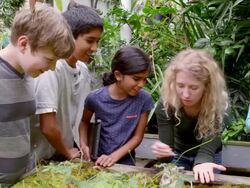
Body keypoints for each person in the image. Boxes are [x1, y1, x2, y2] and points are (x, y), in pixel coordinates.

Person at [0, 3, 74, 186]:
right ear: (24, 43)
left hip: (22, 178)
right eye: (49, 59)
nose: (52, 67)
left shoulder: (28, 75)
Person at [30, 1, 103, 162]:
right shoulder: (51, 69)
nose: (95, 48)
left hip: (62, 155)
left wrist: (83, 144)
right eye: (90, 40)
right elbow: (48, 127)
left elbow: (79, 118)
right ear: (69, 35)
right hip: (41, 159)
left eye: (97, 41)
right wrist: (68, 152)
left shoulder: (82, 70)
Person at [151, 49, 229, 184]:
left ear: (207, 86)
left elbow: (208, 149)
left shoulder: (219, 105)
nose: (185, 94)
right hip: (179, 155)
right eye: (180, 85)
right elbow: (166, 157)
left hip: (209, 155)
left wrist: (203, 162)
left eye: (193, 88)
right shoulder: (166, 104)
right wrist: (163, 153)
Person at [80, 46, 154, 167]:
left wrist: (113, 157)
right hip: (97, 161)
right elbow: (84, 122)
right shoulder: (95, 98)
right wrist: (84, 145)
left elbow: (137, 137)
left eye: (145, 79)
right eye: (136, 79)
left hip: (127, 163)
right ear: (118, 75)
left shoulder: (144, 99)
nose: (141, 84)